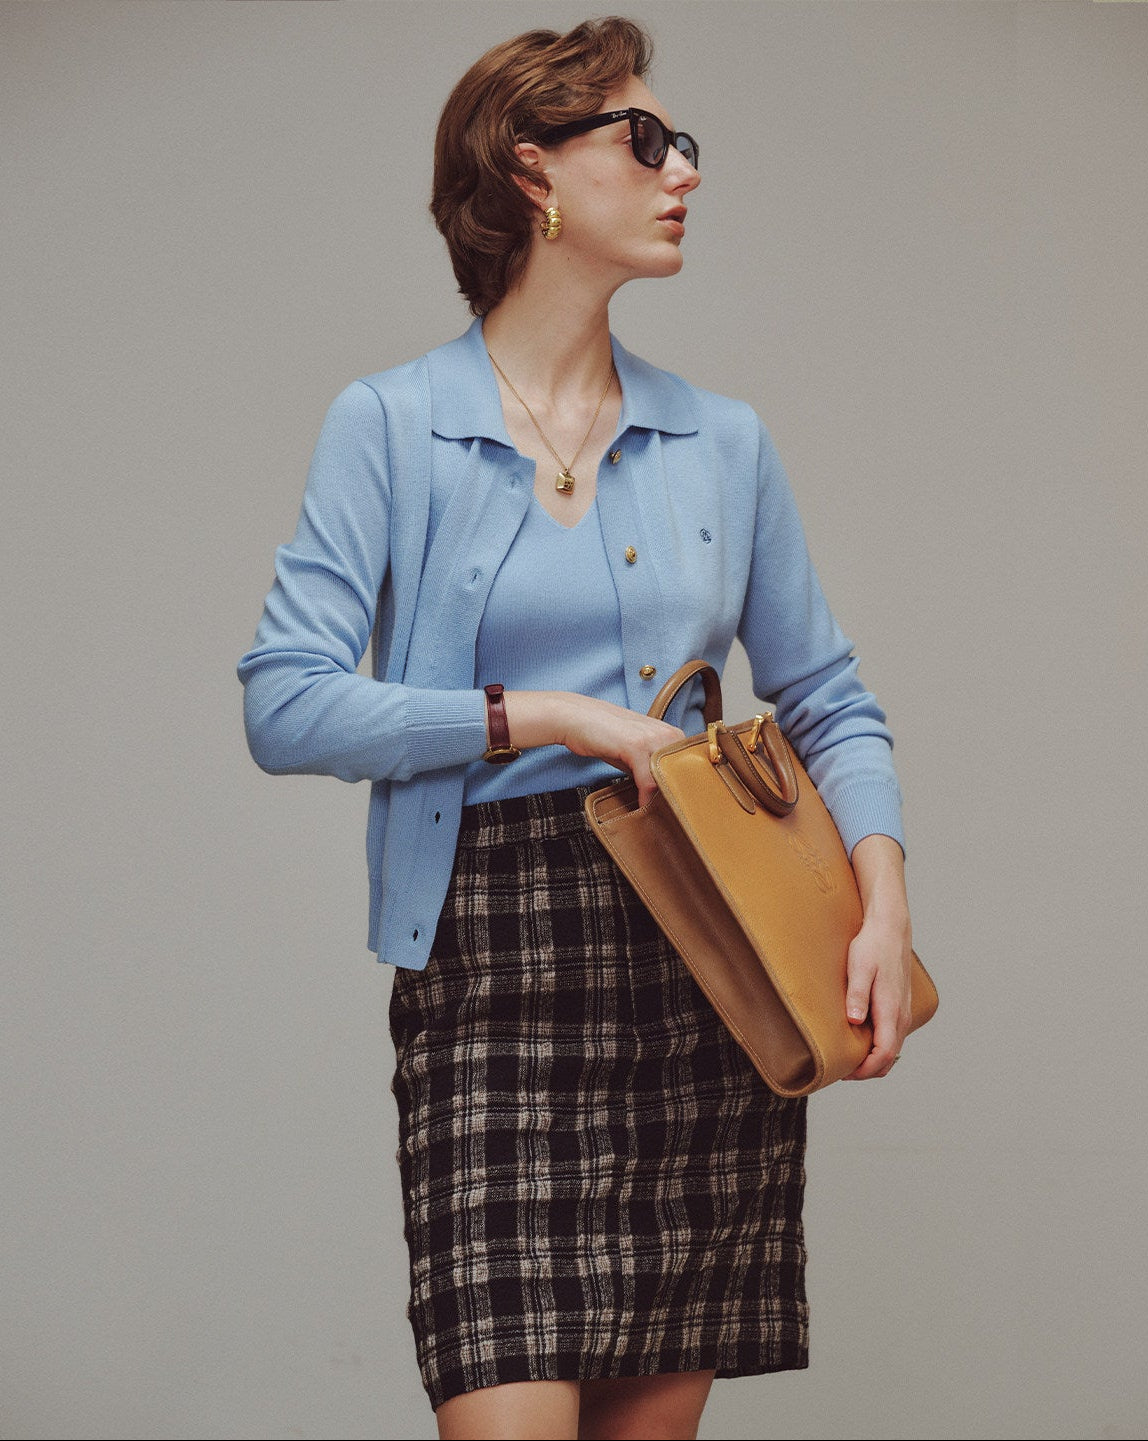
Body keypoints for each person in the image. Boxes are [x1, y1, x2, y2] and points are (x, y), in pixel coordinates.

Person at [237, 17, 914, 1441]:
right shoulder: (391, 426)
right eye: (645, 140)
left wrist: (882, 901)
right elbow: (285, 700)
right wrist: (546, 717)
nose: (684, 172)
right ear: (531, 170)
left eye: (683, 144)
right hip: (494, 961)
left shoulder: (722, 441)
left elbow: (830, 698)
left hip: (707, 947)